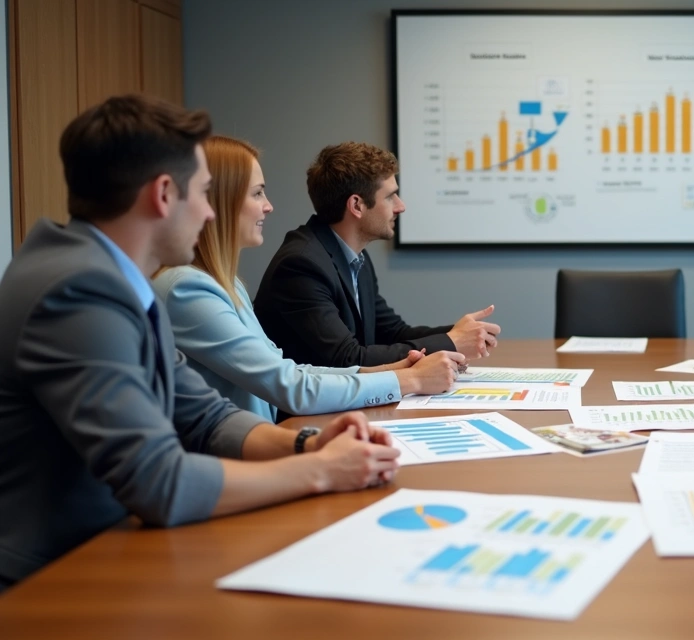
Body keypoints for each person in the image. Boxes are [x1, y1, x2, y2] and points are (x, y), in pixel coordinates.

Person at [0, 95, 402, 590]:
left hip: (107, 551)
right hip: (54, 582)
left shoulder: (110, 277)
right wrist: (321, 471)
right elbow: (159, 483)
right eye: (206, 192)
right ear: (164, 194)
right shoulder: (79, 291)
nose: (212, 212)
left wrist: (307, 444)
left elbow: (201, 414)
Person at [153, 136, 464, 423]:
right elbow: (289, 385)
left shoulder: (227, 283)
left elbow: (291, 370)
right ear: (220, 201)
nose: (268, 205)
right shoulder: (187, 289)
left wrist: (391, 370)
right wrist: (411, 380)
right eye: (257, 193)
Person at [254, 142, 500, 368]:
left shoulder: (355, 255)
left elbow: (391, 332)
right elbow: (347, 359)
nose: (400, 206)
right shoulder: (301, 266)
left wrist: (459, 332)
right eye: (391, 196)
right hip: (301, 415)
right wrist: (451, 341)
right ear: (357, 205)